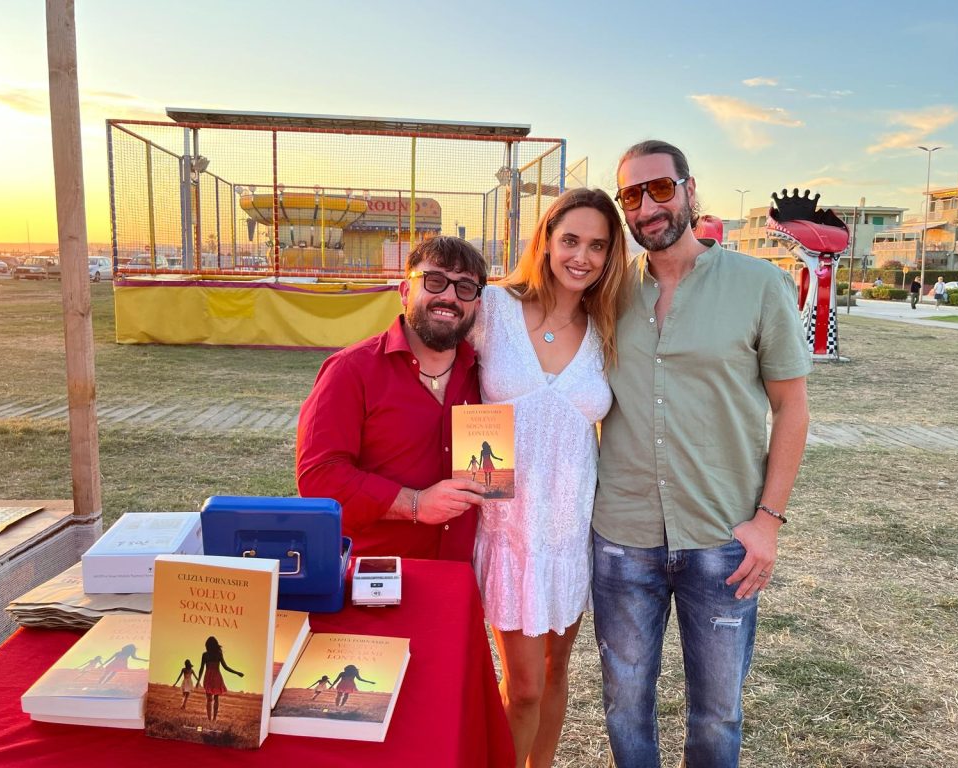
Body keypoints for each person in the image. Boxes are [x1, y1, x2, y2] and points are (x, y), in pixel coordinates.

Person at [593, 140, 811, 768]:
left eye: (660, 188)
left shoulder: (759, 284)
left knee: (717, 714)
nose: (647, 207)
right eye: (631, 195)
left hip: (722, 538)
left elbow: (792, 408)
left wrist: (768, 521)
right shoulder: (606, 292)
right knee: (623, 704)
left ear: (690, 190)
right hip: (622, 537)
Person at [469, 187, 629, 768]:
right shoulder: (494, 308)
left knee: (555, 672)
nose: (581, 257)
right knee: (524, 687)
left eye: (597, 246)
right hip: (507, 529)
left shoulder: (609, 325)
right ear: (545, 240)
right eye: (570, 240)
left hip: (569, 532)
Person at [296, 236, 488, 560]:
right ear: (405, 291)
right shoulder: (350, 371)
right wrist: (415, 504)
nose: (449, 296)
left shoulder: (486, 377)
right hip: (375, 574)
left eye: (465, 287)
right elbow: (319, 477)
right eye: (435, 281)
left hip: (459, 575)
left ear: (477, 305)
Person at [196, 635, 244, 721]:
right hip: (217, 677)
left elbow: (201, 669)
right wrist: (237, 673)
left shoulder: (205, 655)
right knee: (216, 698)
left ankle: (209, 719)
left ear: (207, 645)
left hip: (208, 677)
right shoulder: (218, 654)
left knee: (208, 699)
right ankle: (214, 719)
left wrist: (198, 681)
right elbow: (226, 667)